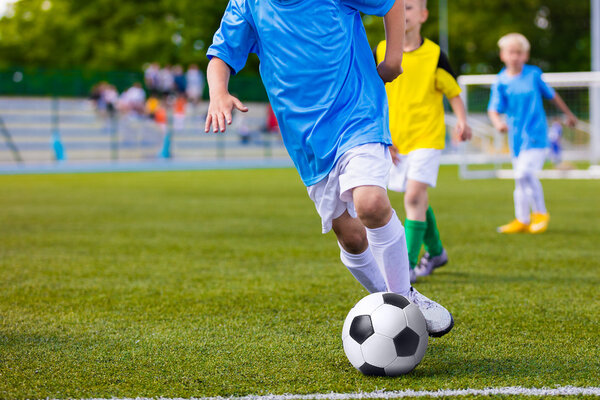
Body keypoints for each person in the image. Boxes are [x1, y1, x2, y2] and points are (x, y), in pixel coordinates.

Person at [205, 0, 453, 337]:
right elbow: (221, 54)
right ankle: (389, 303)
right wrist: (218, 91)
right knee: (350, 236)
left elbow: (391, 4)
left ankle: (404, 298)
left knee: (372, 203)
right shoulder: (248, 4)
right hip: (306, 139)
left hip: (357, 112)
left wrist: (394, 59)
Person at [375, 0, 471, 282]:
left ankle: (404, 267)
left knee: (413, 196)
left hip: (427, 137)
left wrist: (463, 120)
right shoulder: (381, 50)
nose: (403, 13)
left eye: (410, 8)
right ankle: (437, 252)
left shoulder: (435, 54)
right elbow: (373, 93)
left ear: (424, 15)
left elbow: (453, 92)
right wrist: (382, 134)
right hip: (395, 140)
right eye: (399, 7)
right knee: (416, 198)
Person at [488, 33, 577, 234]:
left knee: (523, 174)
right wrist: (498, 123)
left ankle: (540, 213)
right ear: (503, 55)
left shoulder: (533, 74)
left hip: (537, 134)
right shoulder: (501, 81)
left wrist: (569, 115)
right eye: (511, 52)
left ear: (525, 55)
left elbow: (553, 96)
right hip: (516, 138)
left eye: (519, 53)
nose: (515, 56)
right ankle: (522, 219)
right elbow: (493, 109)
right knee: (519, 179)